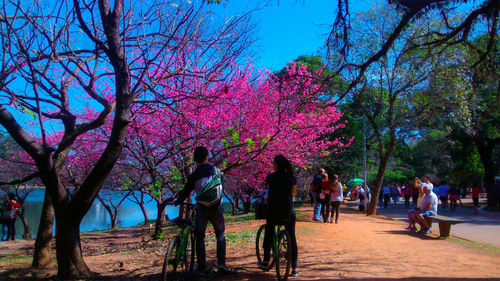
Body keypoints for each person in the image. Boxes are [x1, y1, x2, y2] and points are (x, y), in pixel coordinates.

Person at [174, 146, 228, 274]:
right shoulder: (217, 171)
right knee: (220, 235)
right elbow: (221, 188)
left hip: (202, 207)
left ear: (195, 160)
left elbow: (186, 191)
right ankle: (222, 264)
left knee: (200, 237)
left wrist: (177, 201)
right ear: (207, 157)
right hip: (217, 207)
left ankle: (201, 267)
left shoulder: (194, 175)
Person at [257, 155, 299, 277]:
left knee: (269, 232)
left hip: (273, 211)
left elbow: (269, 191)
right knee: (291, 237)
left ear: (276, 165)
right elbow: (292, 193)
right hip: (288, 212)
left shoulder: (270, 177)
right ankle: (294, 267)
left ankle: (265, 260)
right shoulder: (291, 178)